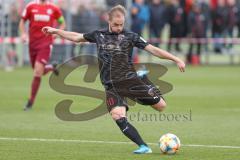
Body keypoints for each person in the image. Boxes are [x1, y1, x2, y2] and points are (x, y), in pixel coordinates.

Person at [42, 5, 185, 154]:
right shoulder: (99, 35)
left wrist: (176, 59)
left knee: (161, 106)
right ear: (108, 21)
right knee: (118, 115)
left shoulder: (131, 36)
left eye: (121, 25)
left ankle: (144, 78)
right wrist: (56, 31)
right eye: (116, 25)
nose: (118, 28)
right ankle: (143, 146)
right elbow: (77, 37)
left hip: (130, 81)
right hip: (111, 86)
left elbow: (154, 50)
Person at [19, 0, 65, 111]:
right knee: (38, 71)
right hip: (32, 44)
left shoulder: (54, 8)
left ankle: (30, 101)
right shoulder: (31, 6)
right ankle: (51, 67)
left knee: (37, 72)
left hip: (45, 44)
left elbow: (62, 22)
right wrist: (24, 34)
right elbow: (22, 21)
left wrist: (57, 33)